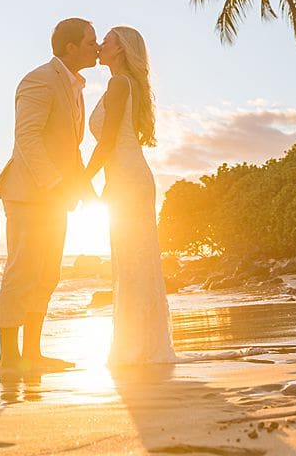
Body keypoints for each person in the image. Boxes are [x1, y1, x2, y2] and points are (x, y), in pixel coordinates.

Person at [0, 17, 99, 378]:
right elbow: (27, 137)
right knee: (22, 270)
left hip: (56, 196)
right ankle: (8, 360)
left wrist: (81, 185)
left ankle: (33, 354)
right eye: (90, 42)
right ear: (70, 47)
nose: (96, 48)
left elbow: (69, 146)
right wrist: (54, 183)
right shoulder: (39, 79)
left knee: (47, 273)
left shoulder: (75, 86)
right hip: (28, 193)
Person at [86, 25, 177, 365]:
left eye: (105, 42)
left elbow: (108, 140)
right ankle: (140, 345)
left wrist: (82, 178)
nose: (98, 47)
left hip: (126, 175)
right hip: (128, 174)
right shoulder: (126, 83)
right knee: (132, 259)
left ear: (120, 49)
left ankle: (139, 348)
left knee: (133, 260)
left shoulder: (118, 83)